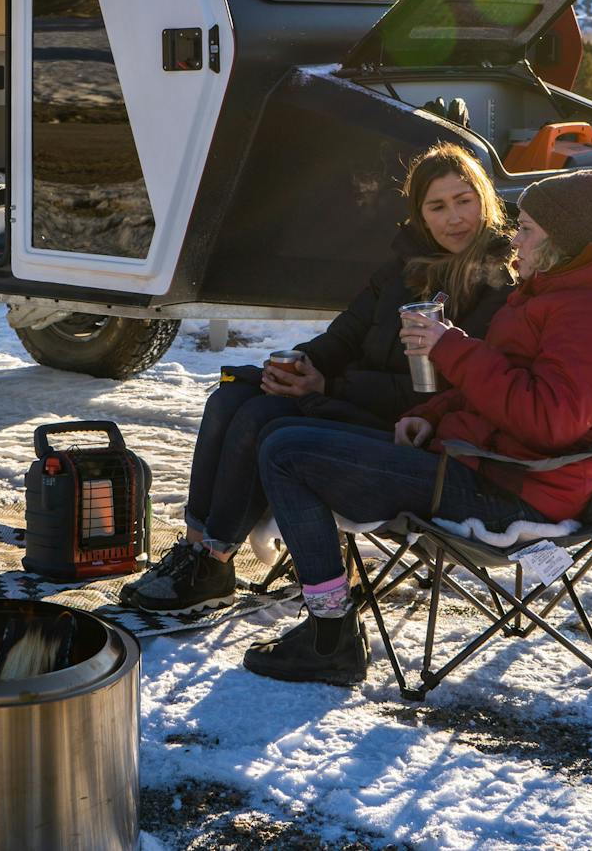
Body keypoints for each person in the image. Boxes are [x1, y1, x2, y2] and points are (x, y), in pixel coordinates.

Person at [243, 168, 592, 684]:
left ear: (559, 241)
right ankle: (327, 622)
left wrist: (449, 347)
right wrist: (428, 416)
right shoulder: (554, 291)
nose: (515, 238)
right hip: (475, 461)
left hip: (515, 492)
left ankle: (331, 636)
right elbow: (500, 381)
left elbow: (548, 421)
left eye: (525, 228)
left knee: (287, 453)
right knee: (279, 433)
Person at [122, 145, 514, 612]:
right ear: (421, 217)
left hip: (409, 423)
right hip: (353, 399)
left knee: (261, 416)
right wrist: (300, 365)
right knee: (230, 396)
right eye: (438, 206)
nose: (454, 218)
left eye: (464, 200)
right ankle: (197, 546)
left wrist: (328, 388)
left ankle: (215, 557)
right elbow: (347, 332)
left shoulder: (499, 281)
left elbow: (444, 392)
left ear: (485, 201)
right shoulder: (403, 267)